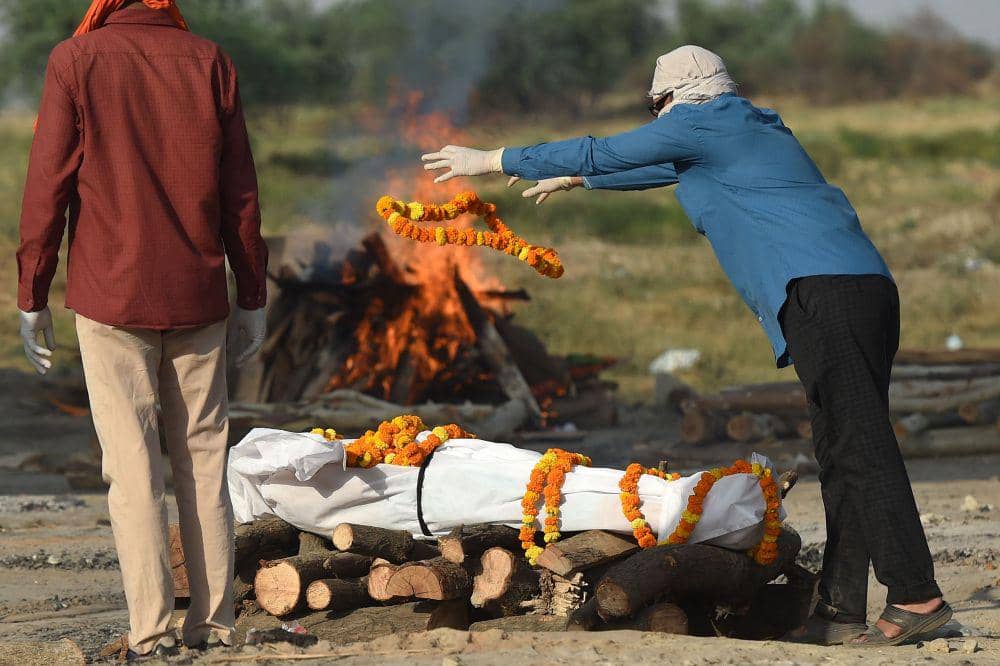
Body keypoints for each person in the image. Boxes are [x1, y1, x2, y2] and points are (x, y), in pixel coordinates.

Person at [421, 45, 951, 647]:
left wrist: (493, 158)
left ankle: (915, 595)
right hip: (862, 291)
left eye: (658, 110)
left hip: (820, 294)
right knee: (840, 449)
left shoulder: (699, 123)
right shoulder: (745, 126)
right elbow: (648, 166)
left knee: (863, 445)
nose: (658, 123)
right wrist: (578, 177)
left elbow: (612, 148)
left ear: (676, 101)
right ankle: (840, 609)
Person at [16, 0, 268, 659]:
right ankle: (213, 626)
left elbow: (49, 185)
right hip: (198, 292)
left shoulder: (75, 60)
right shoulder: (210, 60)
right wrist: (253, 294)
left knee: (132, 468)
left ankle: (152, 633)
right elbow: (240, 190)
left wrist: (32, 291)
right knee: (205, 460)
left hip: (110, 294)